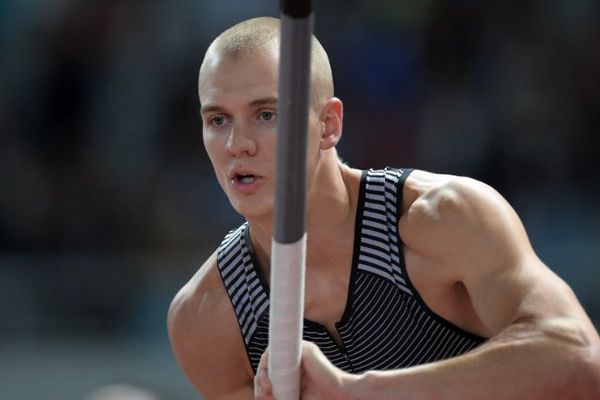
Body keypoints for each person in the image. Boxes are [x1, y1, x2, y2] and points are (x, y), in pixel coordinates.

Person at [167, 16, 600, 399]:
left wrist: (364, 390)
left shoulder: (443, 218)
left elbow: (579, 360)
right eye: (217, 120)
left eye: (266, 114)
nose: (236, 144)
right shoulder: (206, 320)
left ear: (329, 125)